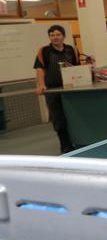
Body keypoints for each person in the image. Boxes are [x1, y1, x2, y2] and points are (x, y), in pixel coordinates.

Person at [34, 24, 80, 153]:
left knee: (74, 117)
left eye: (58, 34)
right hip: (53, 90)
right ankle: (65, 145)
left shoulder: (71, 50)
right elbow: (39, 69)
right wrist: (41, 85)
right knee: (58, 119)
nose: (55, 37)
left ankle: (78, 141)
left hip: (71, 89)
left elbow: (77, 68)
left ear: (63, 36)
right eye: (52, 35)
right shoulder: (44, 51)